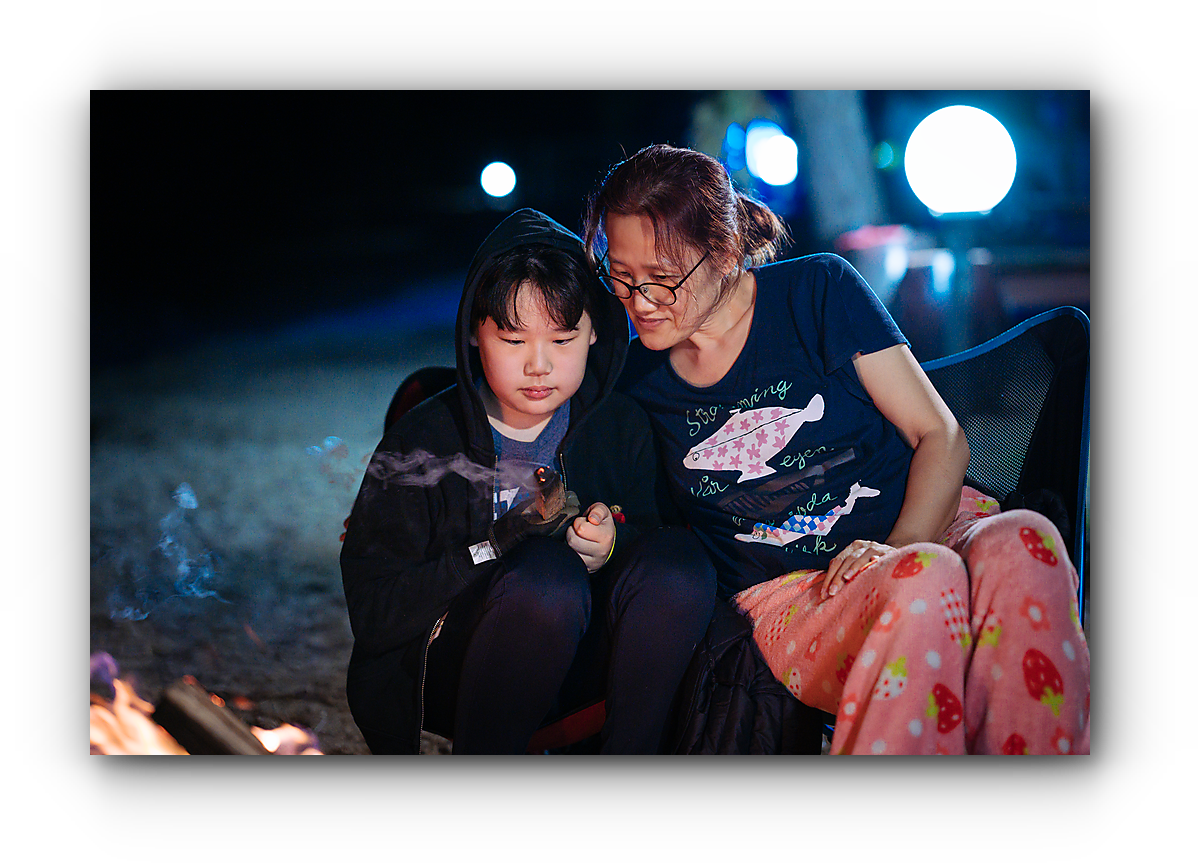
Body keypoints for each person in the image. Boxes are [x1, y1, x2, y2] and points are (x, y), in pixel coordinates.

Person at [583, 144, 1089, 754]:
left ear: (725, 252)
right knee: (924, 583)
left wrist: (897, 548)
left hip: (921, 531)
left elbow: (941, 435)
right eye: (621, 275)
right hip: (799, 592)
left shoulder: (816, 291)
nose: (639, 302)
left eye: (663, 280)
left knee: (1024, 540)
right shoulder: (634, 375)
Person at [340, 207, 715, 754]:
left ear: (594, 332)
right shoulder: (423, 442)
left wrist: (611, 544)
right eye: (514, 341)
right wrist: (498, 543)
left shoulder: (620, 427)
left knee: (681, 564)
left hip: (589, 671)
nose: (539, 366)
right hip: (460, 669)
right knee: (547, 576)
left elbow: (657, 547)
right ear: (475, 333)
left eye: (562, 340)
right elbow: (374, 611)